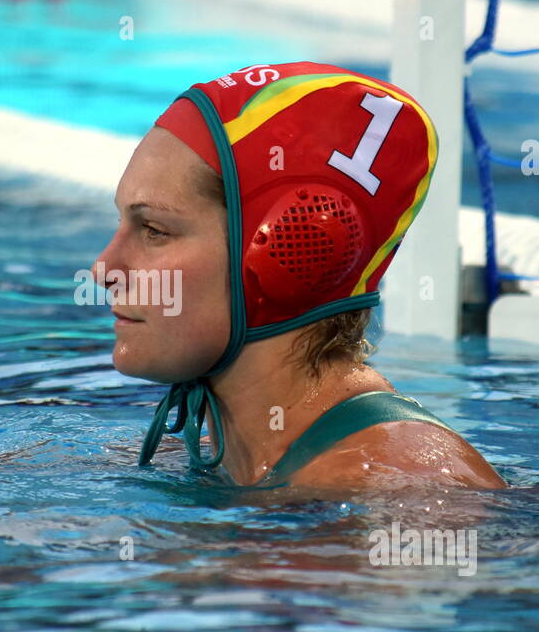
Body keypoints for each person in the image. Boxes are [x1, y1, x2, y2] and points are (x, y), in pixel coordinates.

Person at [95, 61, 507, 492]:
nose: (104, 268)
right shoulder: (213, 458)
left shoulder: (393, 488)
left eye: (155, 231)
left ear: (290, 249)